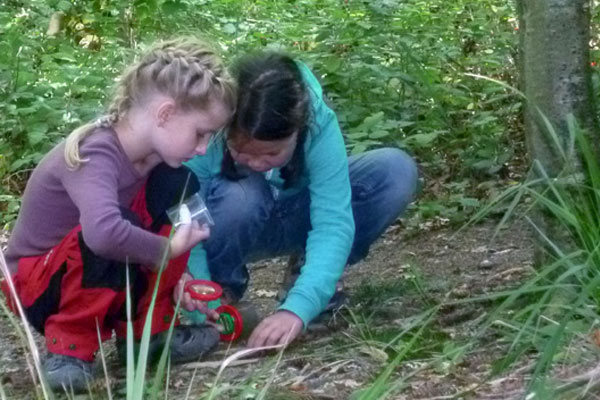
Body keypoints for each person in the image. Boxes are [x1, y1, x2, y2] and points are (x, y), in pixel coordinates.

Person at [1, 38, 236, 392]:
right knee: (114, 225)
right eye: (200, 133)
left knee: (178, 189)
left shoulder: (157, 162)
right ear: (165, 114)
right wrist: (167, 250)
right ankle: (69, 348)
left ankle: (147, 335)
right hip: (37, 287)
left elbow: (154, 234)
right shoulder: (95, 153)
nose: (203, 148)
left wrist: (180, 276)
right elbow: (103, 235)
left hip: (94, 273)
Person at [184, 52, 418, 348]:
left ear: (298, 131)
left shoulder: (318, 125)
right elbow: (185, 222)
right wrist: (199, 289)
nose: (257, 163)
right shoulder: (210, 132)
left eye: (271, 154)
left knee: (393, 171)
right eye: (243, 151)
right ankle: (218, 292)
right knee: (242, 193)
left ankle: (307, 278)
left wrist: (299, 308)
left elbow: (333, 222)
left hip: (296, 216)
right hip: (232, 219)